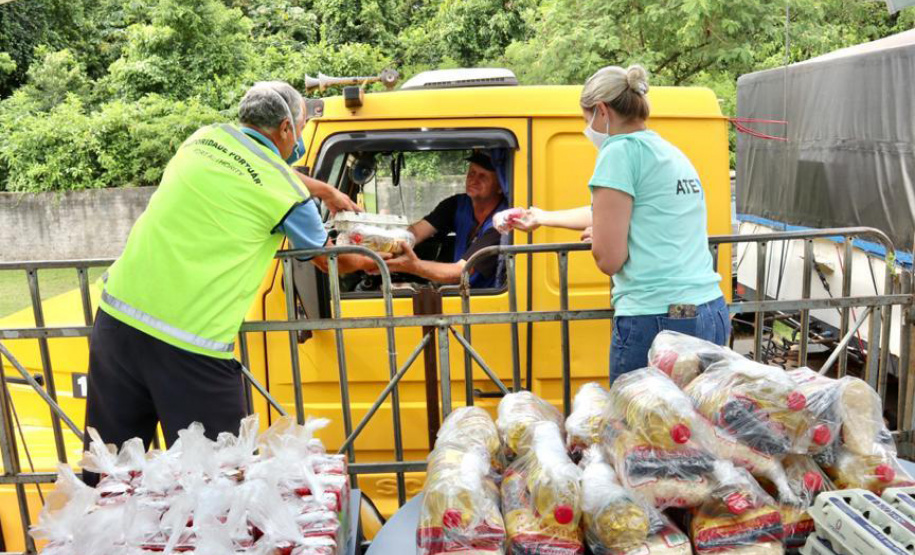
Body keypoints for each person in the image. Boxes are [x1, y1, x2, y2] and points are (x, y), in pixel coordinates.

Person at [83, 81, 376, 484]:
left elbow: (255, 170)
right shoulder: (287, 193)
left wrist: (324, 189)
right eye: (303, 128)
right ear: (287, 129)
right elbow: (328, 261)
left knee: (109, 473)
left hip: (116, 322)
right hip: (190, 345)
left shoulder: (203, 140)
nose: (302, 139)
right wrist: (374, 259)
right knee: (221, 485)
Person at [514, 65, 727, 384]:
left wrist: (601, 239)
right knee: (697, 429)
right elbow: (616, 211)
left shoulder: (619, 153)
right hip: (707, 311)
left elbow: (609, 259)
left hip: (657, 319)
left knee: (640, 430)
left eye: (586, 119)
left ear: (602, 111)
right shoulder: (666, 151)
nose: (588, 128)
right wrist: (543, 217)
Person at [385, 151, 507, 287]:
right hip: (459, 291)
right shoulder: (457, 204)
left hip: (483, 299)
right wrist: (386, 246)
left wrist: (411, 266)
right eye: (472, 173)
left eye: (483, 176)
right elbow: (417, 232)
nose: (474, 179)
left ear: (500, 187)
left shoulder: (503, 223)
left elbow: (460, 272)